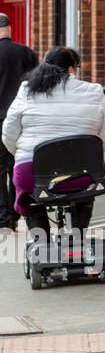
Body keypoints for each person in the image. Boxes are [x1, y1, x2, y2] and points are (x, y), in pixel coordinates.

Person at [2, 48, 105, 238]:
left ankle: (42, 242)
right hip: (83, 172)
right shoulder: (94, 91)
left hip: (33, 172)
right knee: (84, 196)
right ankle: (77, 238)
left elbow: (8, 132)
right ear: (72, 69)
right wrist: (90, 154)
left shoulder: (27, 90)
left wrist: (22, 154)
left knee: (31, 197)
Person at [0, 13, 37, 231]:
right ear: (10, 29)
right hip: (23, 119)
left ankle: (3, 218)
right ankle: (16, 211)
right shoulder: (26, 53)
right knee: (17, 165)